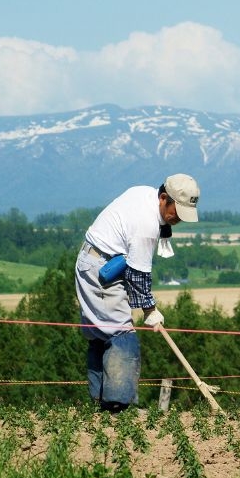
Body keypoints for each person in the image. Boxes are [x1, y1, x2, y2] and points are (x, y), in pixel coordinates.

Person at [74, 174, 201, 412]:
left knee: (101, 334)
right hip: (102, 269)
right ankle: (118, 406)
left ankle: (100, 402)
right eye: (177, 213)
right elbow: (139, 275)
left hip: (94, 261)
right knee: (122, 334)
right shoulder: (146, 225)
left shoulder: (144, 193)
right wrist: (150, 310)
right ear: (164, 198)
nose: (178, 220)